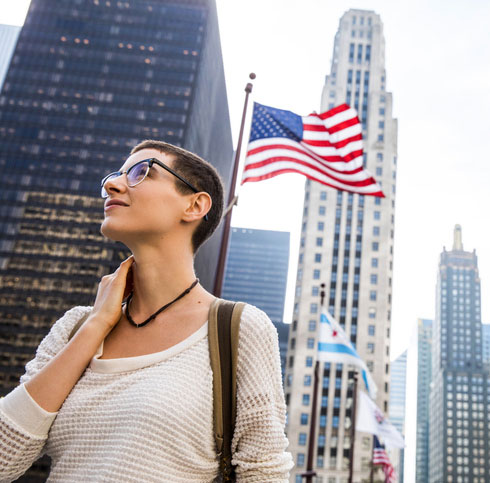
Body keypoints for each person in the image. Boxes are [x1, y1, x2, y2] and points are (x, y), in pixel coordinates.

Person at [0, 140, 293, 482]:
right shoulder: (75, 325)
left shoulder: (239, 329)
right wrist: (96, 326)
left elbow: (264, 471)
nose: (113, 184)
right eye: (117, 175)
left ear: (195, 205)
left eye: (141, 172)